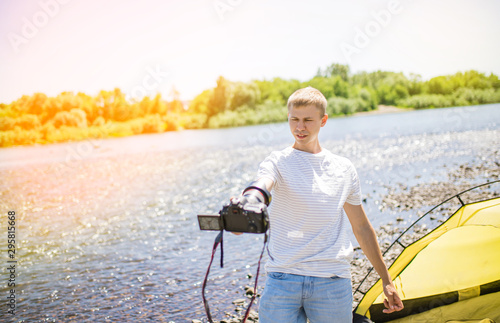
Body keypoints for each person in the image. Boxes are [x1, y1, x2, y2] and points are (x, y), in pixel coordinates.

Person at [236, 87, 404, 322]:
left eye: (307, 120)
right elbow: (263, 183)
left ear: (323, 120)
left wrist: (386, 281)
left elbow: (362, 228)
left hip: (332, 282)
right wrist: (249, 202)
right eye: (294, 119)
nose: (299, 127)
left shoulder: (343, 168)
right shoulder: (277, 161)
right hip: (283, 279)